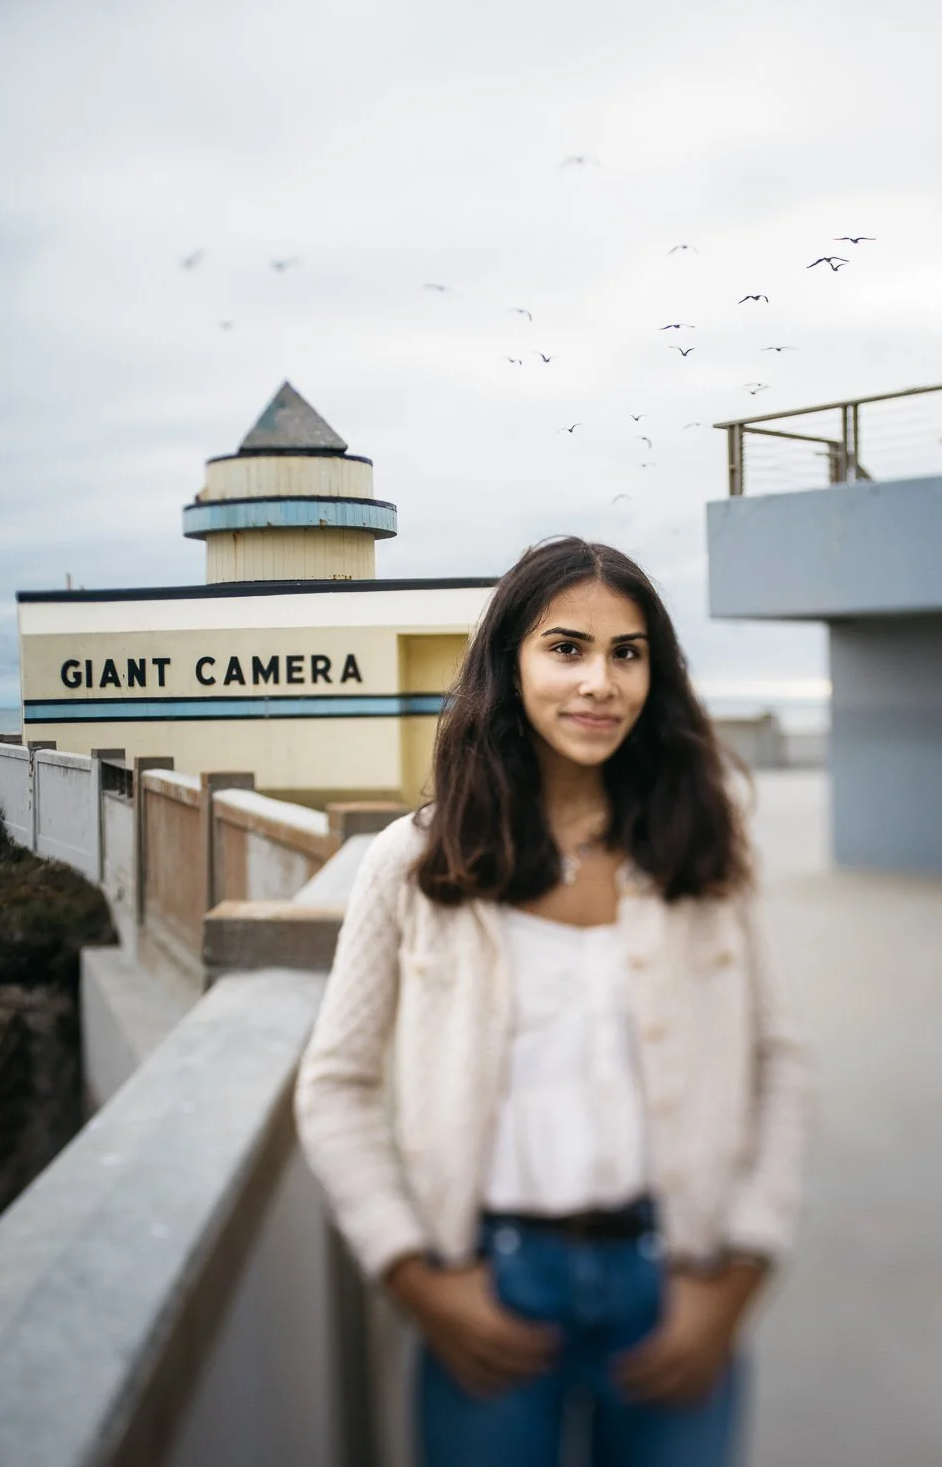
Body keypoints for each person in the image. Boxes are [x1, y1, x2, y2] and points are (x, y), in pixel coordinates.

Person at [295, 536, 810, 1467]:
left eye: (627, 652)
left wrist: (737, 1275)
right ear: (511, 664)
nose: (600, 683)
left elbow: (778, 1065)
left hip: (676, 1283)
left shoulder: (705, 851)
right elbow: (333, 1086)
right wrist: (416, 1276)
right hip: (488, 1285)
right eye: (566, 648)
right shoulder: (413, 866)